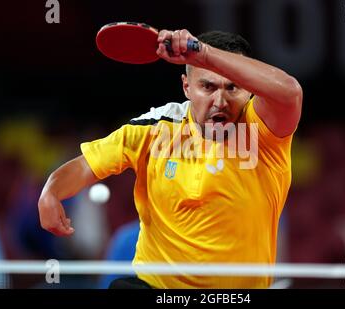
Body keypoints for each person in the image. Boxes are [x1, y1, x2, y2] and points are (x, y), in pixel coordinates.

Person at [38, 29, 303, 288]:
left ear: (249, 90)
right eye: (207, 86)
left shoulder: (264, 132)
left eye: (232, 87)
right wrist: (51, 190)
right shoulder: (156, 128)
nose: (220, 100)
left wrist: (203, 54)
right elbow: (86, 165)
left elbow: (290, 92)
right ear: (187, 87)